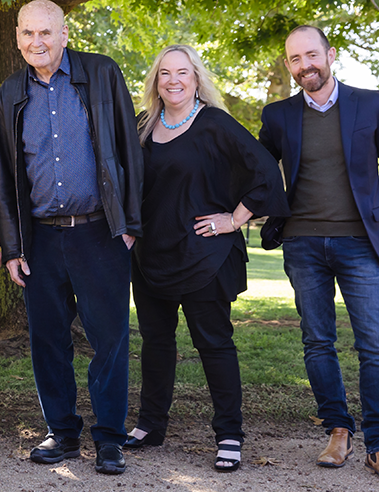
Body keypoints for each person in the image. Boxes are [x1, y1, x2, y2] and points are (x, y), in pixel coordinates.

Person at [0, 0, 142, 476]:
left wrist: (130, 225)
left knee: (109, 339)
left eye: (46, 33)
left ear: (64, 34)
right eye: (27, 34)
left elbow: (128, 150)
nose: (36, 42)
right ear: (17, 37)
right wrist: (13, 247)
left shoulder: (101, 73)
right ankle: (61, 431)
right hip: (41, 239)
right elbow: (5, 174)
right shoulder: (10, 91)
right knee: (48, 340)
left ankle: (109, 439)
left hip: (100, 232)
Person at [124, 45, 289, 472]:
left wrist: (233, 220)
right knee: (156, 344)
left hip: (204, 256)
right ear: (155, 81)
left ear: (196, 79)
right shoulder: (143, 125)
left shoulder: (214, 123)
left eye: (182, 72)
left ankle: (229, 435)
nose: (173, 81)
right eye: (165, 73)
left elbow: (266, 172)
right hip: (150, 256)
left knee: (214, 345)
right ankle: (149, 424)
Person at [259, 25, 379, 484]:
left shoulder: (370, 102)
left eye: (311, 55)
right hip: (302, 244)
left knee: (375, 345)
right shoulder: (278, 115)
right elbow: (259, 171)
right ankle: (338, 430)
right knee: (318, 342)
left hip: (359, 244)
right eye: (294, 59)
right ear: (289, 66)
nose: (305, 65)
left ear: (330, 54)